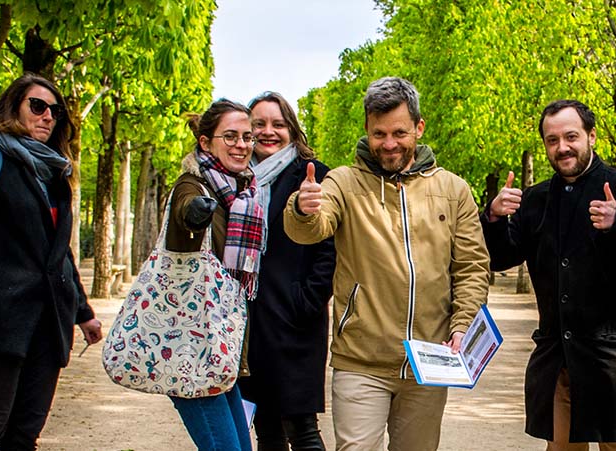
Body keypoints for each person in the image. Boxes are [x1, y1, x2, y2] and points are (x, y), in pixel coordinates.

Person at [283, 76, 490, 451]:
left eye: (400, 132)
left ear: (419, 127)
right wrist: (302, 208)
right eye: (379, 134)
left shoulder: (453, 189)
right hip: (361, 361)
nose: (389, 143)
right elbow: (310, 229)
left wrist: (462, 325)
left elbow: (472, 268)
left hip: (429, 362)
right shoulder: (343, 183)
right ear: (367, 128)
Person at [482, 100, 616, 451]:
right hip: (559, 360)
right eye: (552, 140)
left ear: (591, 136)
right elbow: (499, 258)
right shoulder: (535, 200)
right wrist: (492, 217)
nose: (562, 147)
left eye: (571, 137)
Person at [0, 74, 102, 450]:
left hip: (45, 326)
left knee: (24, 435)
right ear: (14, 107)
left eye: (55, 111)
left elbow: (58, 254)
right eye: (38, 106)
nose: (47, 117)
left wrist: (83, 312)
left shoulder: (55, 174)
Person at [236, 91, 336, 451]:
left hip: (295, 320)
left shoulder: (313, 174)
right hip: (249, 322)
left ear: (292, 130)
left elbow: (329, 250)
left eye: (278, 124)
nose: (268, 131)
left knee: (303, 428)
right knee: (266, 429)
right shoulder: (237, 179)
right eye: (258, 124)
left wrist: (307, 299)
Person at [165, 98, 263, 451]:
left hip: (220, 349)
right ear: (205, 142)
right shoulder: (194, 186)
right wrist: (195, 213)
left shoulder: (243, 193)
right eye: (231, 136)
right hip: (193, 349)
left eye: (247, 137)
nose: (242, 145)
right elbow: (184, 209)